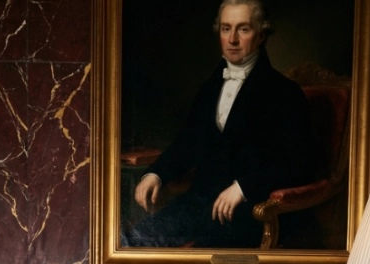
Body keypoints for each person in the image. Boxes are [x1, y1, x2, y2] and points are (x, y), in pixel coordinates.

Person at [122, 1, 314, 249]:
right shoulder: (209, 88)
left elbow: (300, 164)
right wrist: (156, 174)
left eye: (243, 29)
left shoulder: (285, 92)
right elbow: (186, 144)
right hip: (199, 204)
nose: (232, 39)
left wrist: (244, 188)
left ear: (261, 35)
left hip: (252, 212)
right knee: (132, 241)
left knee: (201, 262)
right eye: (226, 29)